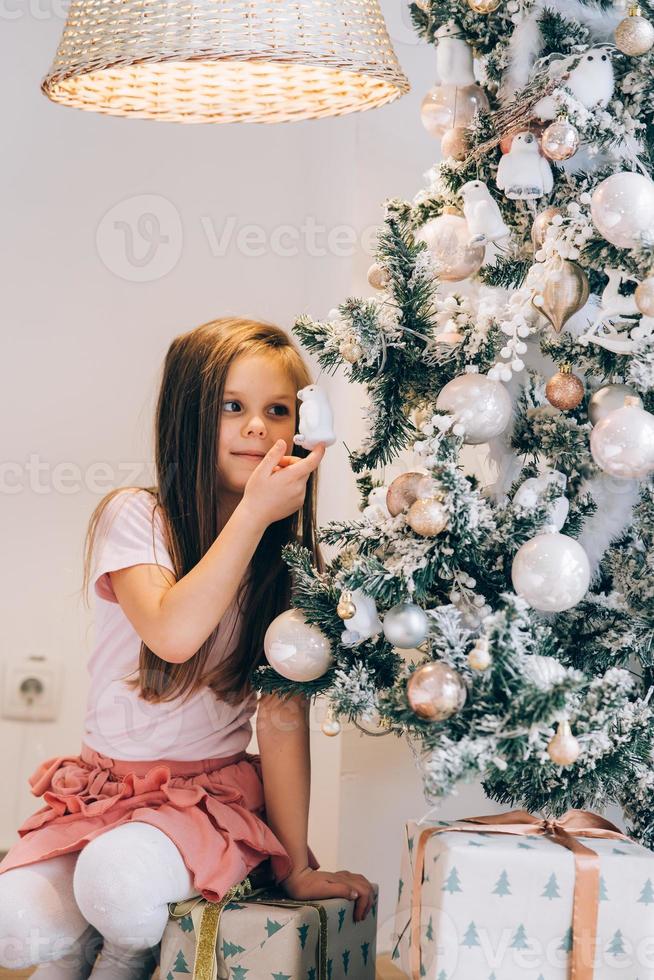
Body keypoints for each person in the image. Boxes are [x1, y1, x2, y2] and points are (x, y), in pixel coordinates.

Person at [0, 317, 375, 978]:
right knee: (14, 930)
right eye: (233, 407)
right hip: (102, 789)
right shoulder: (137, 518)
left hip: (203, 802)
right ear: (189, 417)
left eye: (277, 410)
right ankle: (88, 942)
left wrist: (297, 864)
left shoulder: (286, 563)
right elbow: (174, 634)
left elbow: (283, 719)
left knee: (117, 889)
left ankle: (122, 952)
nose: (256, 427)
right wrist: (255, 514)